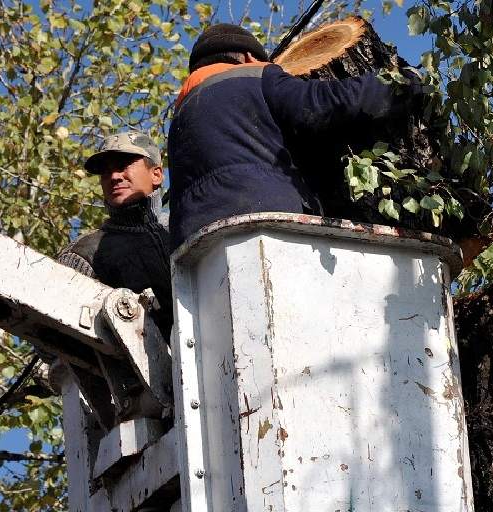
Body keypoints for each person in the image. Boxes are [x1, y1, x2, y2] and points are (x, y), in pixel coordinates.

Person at [167, 23, 422, 250]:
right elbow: (327, 103)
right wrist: (403, 83)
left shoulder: (182, 114)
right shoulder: (257, 76)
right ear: (247, 57)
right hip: (266, 224)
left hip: (193, 242)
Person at [58, 131, 173, 338]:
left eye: (123, 165)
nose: (114, 176)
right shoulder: (83, 254)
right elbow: (52, 341)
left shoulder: (185, 230)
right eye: (105, 172)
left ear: (156, 174)